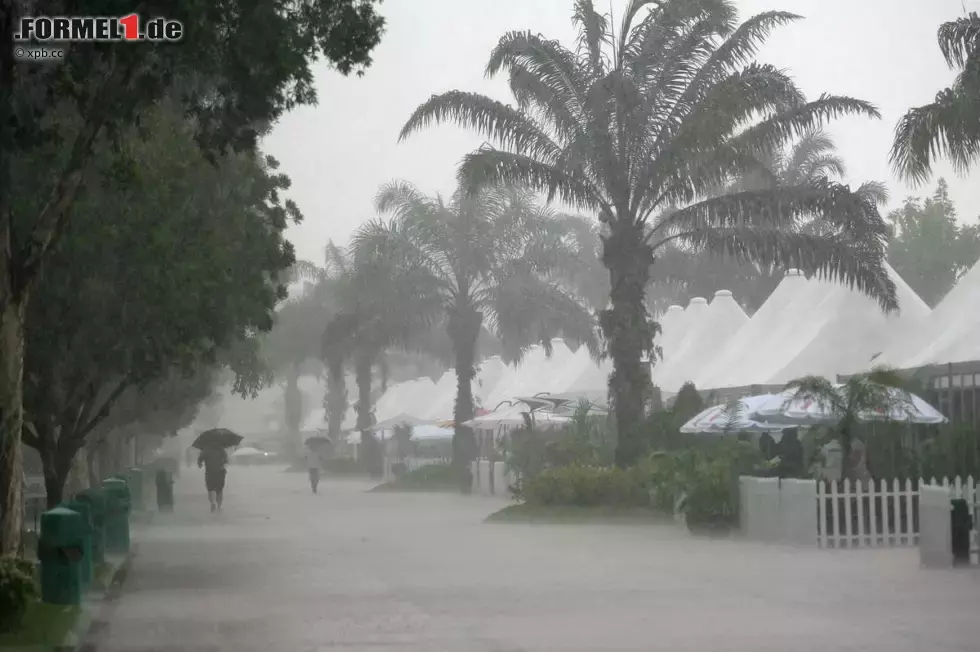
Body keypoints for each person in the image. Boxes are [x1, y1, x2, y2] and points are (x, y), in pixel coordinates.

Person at [198, 447, 229, 511]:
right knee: (219, 490)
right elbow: (226, 461)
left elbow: (199, 461)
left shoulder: (205, 450)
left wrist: (200, 464)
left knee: (210, 489)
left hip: (209, 473)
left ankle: (212, 503)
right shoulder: (221, 450)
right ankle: (219, 506)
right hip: (220, 473)